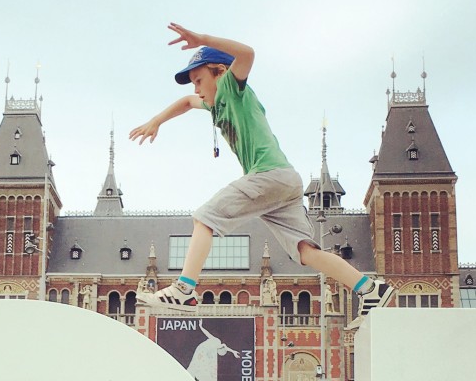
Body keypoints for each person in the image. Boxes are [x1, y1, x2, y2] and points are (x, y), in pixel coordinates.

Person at [129, 24, 394, 328]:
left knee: (205, 218)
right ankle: (371, 289)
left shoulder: (233, 86)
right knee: (305, 253)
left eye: (199, 80)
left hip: (270, 175)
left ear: (219, 72)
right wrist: (156, 120)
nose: (196, 89)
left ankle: (184, 289)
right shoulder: (216, 104)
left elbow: (248, 53)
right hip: (284, 184)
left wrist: (202, 40)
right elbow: (188, 103)